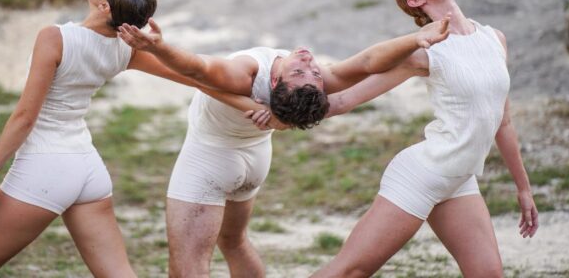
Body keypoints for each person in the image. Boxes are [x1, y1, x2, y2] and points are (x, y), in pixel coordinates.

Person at [116, 16, 450, 278]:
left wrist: (159, 48)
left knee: (188, 270)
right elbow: (365, 63)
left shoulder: (246, 75)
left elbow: (197, 68)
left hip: (210, 161)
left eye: (304, 71)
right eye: (311, 72)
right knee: (234, 242)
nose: (310, 64)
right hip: (255, 162)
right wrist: (415, 40)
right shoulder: (310, 87)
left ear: (275, 83)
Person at [0, 0, 206, 278]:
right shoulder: (127, 49)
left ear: (105, 7)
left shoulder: (54, 38)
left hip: (45, 166)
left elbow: (24, 118)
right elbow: (196, 75)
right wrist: (257, 101)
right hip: (87, 170)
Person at [308, 0, 538, 278]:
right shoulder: (424, 52)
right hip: (423, 174)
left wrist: (523, 189)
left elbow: (504, 121)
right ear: (416, 0)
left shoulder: (493, 38)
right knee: (352, 271)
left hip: (459, 180)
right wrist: (274, 113)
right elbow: (344, 101)